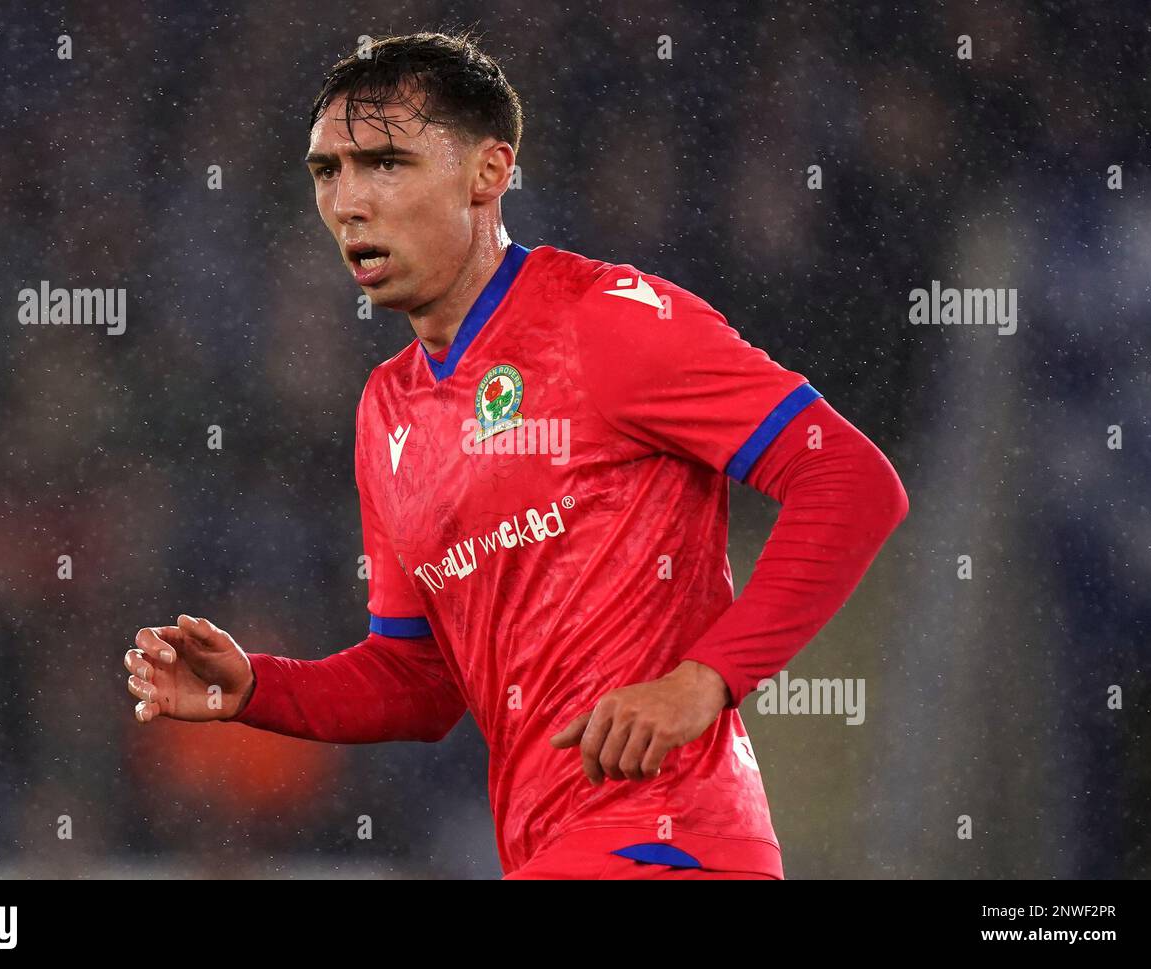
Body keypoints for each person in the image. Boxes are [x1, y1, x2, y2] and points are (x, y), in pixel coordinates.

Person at [122, 30, 909, 880]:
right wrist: (259, 690)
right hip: (548, 846)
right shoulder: (387, 408)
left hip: (667, 840)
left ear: (489, 173)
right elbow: (419, 679)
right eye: (327, 171)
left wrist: (706, 679)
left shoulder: (606, 321)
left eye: (385, 163)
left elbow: (850, 478)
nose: (348, 201)